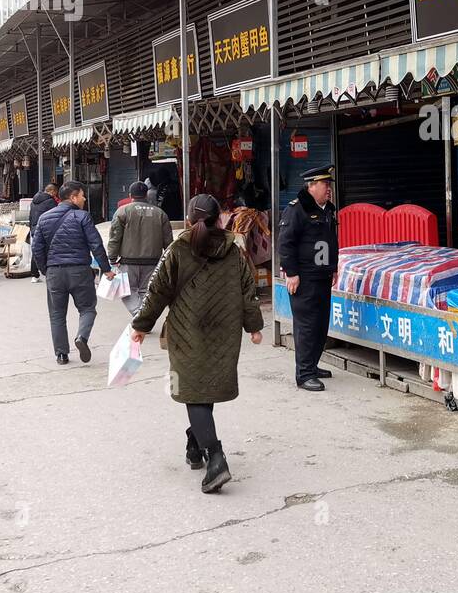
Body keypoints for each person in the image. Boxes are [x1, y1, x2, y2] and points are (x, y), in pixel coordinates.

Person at [131, 193, 263, 494]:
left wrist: (140, 326)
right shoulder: (234, 249)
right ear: (220, 219)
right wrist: (253, 327)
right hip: (224, 332)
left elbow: (157, 291)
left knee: (193, 392)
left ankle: (216, 457)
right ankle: (194, 443)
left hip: (186, 332)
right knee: (206, 387)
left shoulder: (177, 249)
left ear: (189, 219)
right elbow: (248, 290)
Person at [31, 180, 113, 365]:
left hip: (54, 273)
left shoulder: (44, 218)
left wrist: (46, 270)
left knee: (57, 314)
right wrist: (106, 269)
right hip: (80, 271)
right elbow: (96, 244)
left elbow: (37, 249)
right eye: (82, 195)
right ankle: (81, 337)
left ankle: (61, 354)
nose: (84, 198)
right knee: (87, 308)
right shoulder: (83, 217)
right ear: (73, 197)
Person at [277, 165, 339, 391]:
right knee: (306, 325)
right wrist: (291, 273)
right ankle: (304, 375)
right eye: (325, 184)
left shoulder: (327, 209)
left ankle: (312, 364)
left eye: (330, 184)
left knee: (321, 324)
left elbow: (331, 241)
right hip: (304, 278)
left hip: (322, 276)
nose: (329, 189)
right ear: (311, 186)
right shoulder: (296, 210)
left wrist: (334, 267)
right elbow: (285, 244)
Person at [108, 180, 173, 315]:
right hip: (153, 262)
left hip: (128, 262)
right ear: (146, 194)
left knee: (126, 290)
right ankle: (144, 316)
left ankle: (138, 312)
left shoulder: (122, 211)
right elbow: (168, 241)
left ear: (130, 194)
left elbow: (115, 237)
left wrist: (112, 258)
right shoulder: (160, 213)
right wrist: (168, 261)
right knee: (146, 290)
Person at [29, 183, 59, 283]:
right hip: (46, 230)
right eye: (56, 192)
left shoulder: (34, 201)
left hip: (34, 228)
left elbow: (30, 216)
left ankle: (34, 275)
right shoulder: (51, 202)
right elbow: (56, 217)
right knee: (49, 251)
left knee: (36, 251)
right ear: (52, 191)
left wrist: (32, 228)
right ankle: (48, 273)